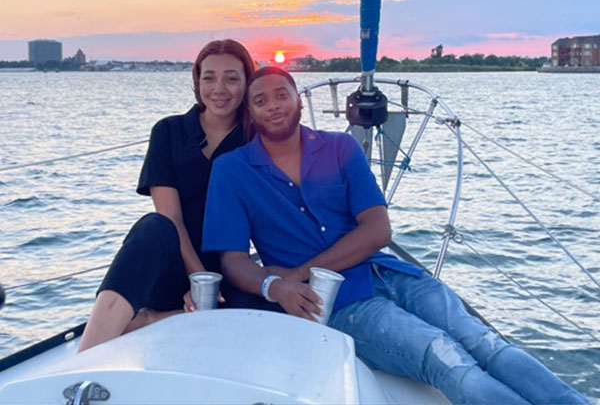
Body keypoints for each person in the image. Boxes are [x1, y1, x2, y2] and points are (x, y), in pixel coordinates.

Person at [202, 66, 589, 405]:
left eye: (282, 95)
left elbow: (378, 230)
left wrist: (298, 273)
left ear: (298, 101)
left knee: (486, 344)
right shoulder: (232, 171)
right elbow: (233, 261)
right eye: (261, 100)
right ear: (249, 113)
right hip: (341, 304)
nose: (274, 105)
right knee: (444, 358)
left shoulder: (340, 148)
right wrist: (276, 287)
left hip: (396, 274)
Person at [78, 39, 278, 353]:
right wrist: (200, 281)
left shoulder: (256, 142)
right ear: (197, 82)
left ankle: (152, 320)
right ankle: (83, 359)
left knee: (267, 315)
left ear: (246, 83)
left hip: (229, 271)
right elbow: (171, 217)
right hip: (172, 266)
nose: (219, 88)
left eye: (232, 78)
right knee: (154, 226)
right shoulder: (169, 132)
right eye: (209, 77)